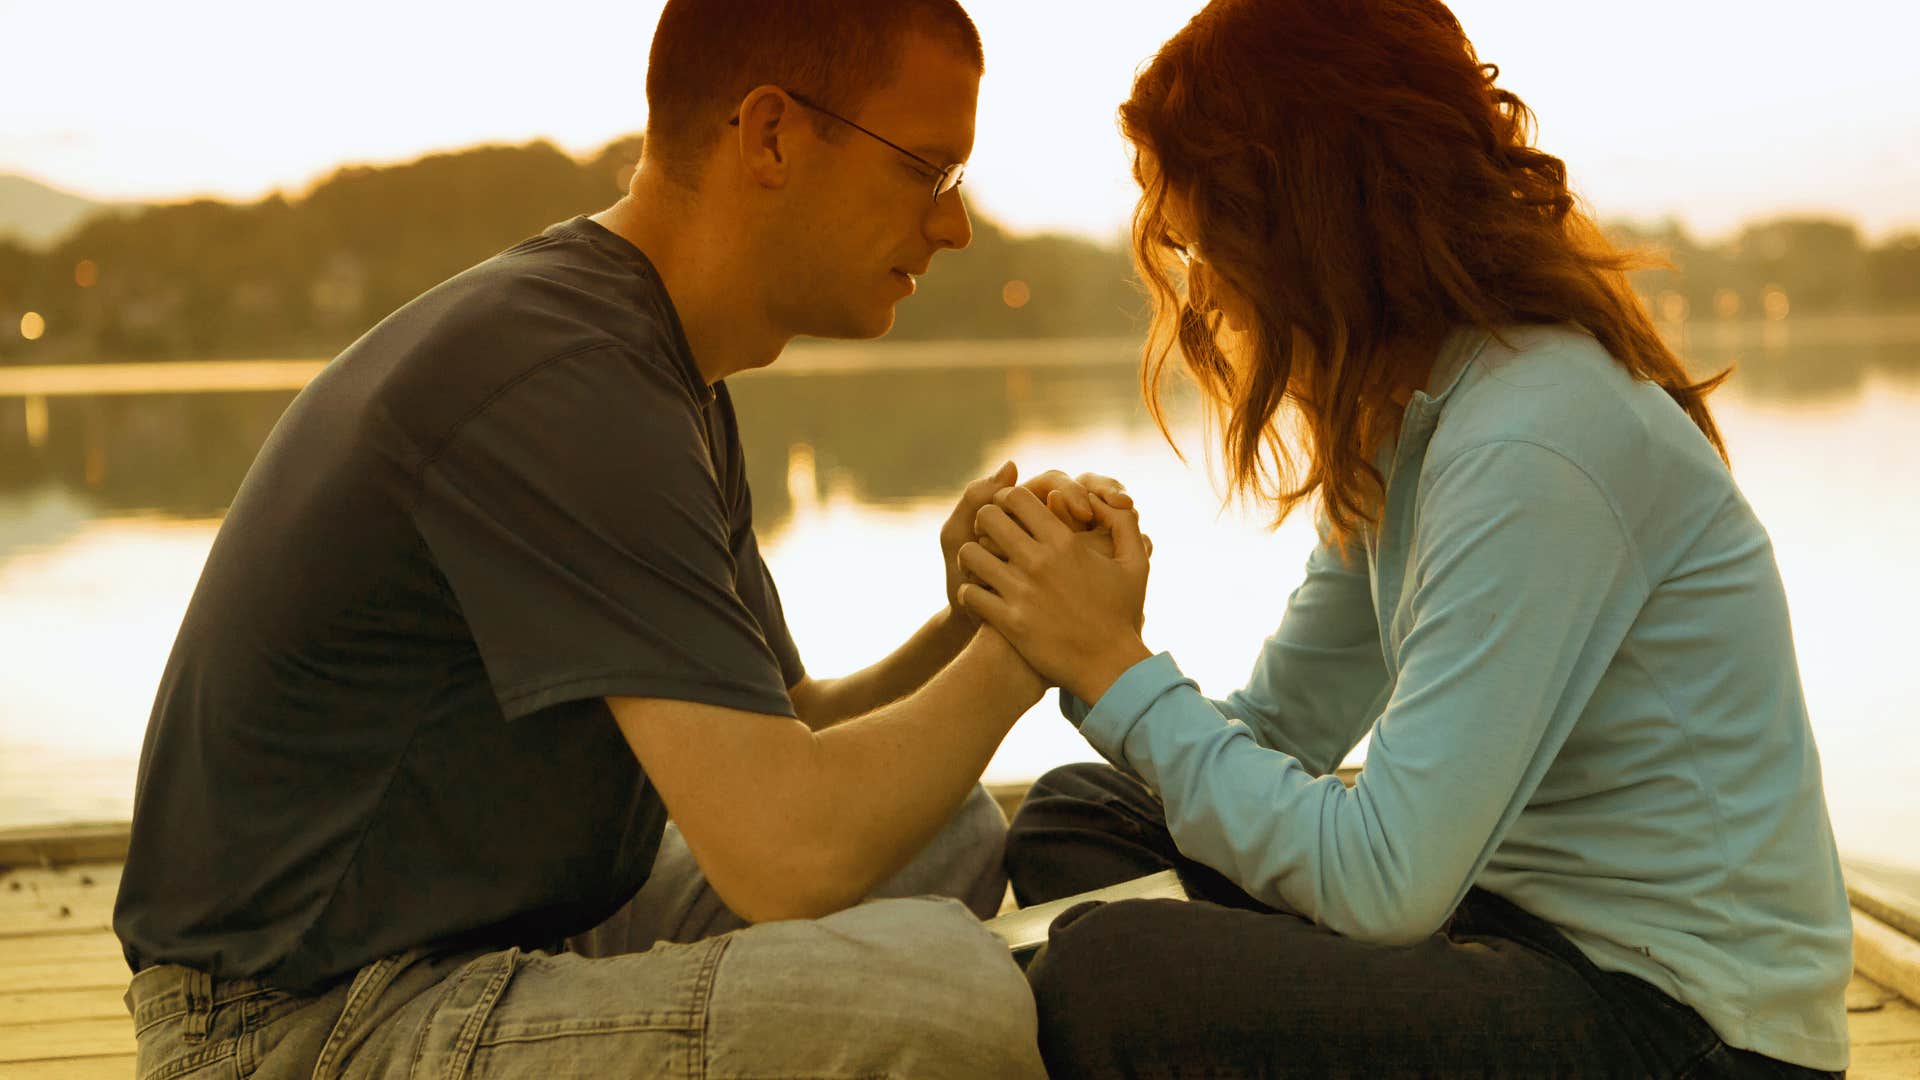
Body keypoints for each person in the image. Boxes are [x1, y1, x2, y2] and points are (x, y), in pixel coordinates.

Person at [112, 2, 1118, 1076]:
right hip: (290, 1024)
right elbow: (786, 852)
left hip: (474, 940)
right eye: (929, 170)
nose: (953, 227)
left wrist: (974, 620)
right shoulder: (565, 380)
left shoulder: (653, 367)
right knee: (947, 1006)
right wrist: (1029, 651)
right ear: (771, 135)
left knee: (942, 830)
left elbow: (788, 731)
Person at [958, 1, 1853, 1076]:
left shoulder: (1539, 435)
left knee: (1109, 979)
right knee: (1082, 817)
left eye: (1206, 245)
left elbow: (1385, 883)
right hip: (1500, 930)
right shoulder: (1414, 419)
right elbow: (1283, 729)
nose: (1201, 296)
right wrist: (1084, 641)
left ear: (1304, 218)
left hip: (1688, 1027)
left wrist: (1117, 665)